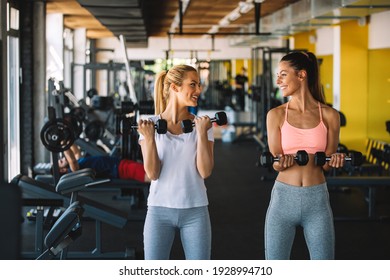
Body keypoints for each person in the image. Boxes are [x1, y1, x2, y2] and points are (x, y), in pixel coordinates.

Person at [264, 51, 345, 260]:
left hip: (316, 200)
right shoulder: (275, 115)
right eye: (277, 75)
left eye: (283, 74)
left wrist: (334, 161)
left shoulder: (330, 115)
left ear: (301, 75)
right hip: (283, 199)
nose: (278, 80)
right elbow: (275, 162)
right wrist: (281, 163)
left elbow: (325, 164)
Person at [137, 64, 215, 260]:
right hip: (159, 211)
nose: (198, 90)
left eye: (198, 85)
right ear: (174, 87)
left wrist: (202, 134)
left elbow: (205, 172)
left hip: (195, 210)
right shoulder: (148, 124)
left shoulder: (202, 125)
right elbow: (153, 173)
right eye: (193, 84)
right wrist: (148, 138)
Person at [58, 144, 150, 183]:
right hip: (118, 169)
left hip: (118, 163)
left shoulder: (78, 162)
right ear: (62, 170)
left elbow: (76, 152)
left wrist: (66, 138)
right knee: (148, 175)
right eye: (61, 162)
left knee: (148, 170)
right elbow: (72, 161)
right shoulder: (73, 171)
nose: (63, 158)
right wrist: (62, 143)